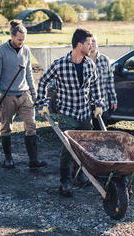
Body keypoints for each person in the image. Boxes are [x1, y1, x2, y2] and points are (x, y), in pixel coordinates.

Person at [36, 28, 102, 197]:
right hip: (67, 114)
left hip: (84, 114)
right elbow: (43, 82)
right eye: (88, 44)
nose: (91, 46)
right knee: (67, 148)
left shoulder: (90, 64)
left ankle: (79, 174)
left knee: (83, 148)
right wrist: (43, 103)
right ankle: (64, 182)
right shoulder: (60, 65)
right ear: (79, 45)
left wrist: (98, 103)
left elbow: (95, 86)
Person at [0, 20, 46, 169]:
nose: (21, 42)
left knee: (31, 125)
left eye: (23, 40)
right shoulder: (0, 51)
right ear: (12, 36)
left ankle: (33, 160)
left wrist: (33, 93)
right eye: (19, 39)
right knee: (6, 127)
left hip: (24, 94)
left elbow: (28, 71)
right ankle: (8, 159)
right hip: (7, 95)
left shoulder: (26, 50)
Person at [89, 35, 117, 130]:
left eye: (94, 41)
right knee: (86, 131)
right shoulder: (82, 59)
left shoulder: (105, 60)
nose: (91, 43)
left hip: (102, 103)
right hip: (85, 104)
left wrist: (113, 99)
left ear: (97, 44)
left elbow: (110, 80)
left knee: (100, 130)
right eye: (89, 41)